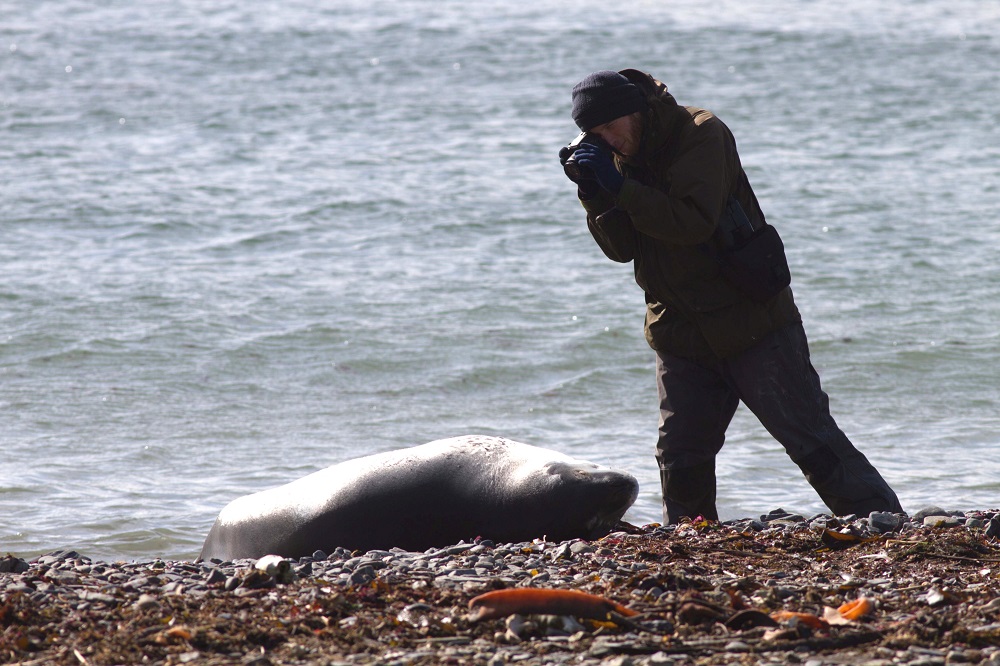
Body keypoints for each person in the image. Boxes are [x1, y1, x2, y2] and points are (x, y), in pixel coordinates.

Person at [560, 69, 904, 523]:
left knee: (810, 439)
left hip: (750, 320)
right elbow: (622, 250)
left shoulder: (702, 134)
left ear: (635, 111)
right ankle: (691, 544)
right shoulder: (616, 155)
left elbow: (691, 222)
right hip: (679, 328)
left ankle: (884, 524)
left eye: (609, 127)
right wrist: (594, 191)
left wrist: (620, 186)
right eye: (594, 133)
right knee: (681, 457)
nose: (605, 140)